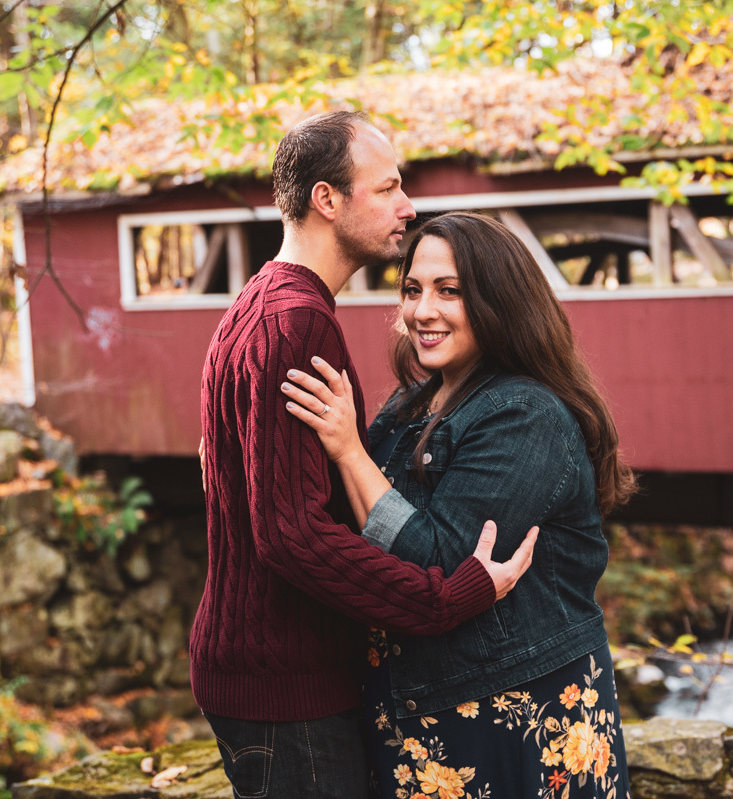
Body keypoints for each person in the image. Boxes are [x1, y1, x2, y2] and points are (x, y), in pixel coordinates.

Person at [191, 112, 539, 799]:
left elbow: (222, 465)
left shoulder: (259, 303)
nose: (407, 207)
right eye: (386, 189)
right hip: (287, 683)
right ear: (327, 199)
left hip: (255, 666)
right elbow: (289, 532)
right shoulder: (297, 320)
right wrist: (444, 598)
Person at [282, 211, 637, 798]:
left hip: (516, 708)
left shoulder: (526, 415)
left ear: (501, 302)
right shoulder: (409, 406)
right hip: (419, 706)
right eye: (413, 289)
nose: (424, 310)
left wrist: (349, 451)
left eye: (450, 291)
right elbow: (355, 522)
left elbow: (443, 562)